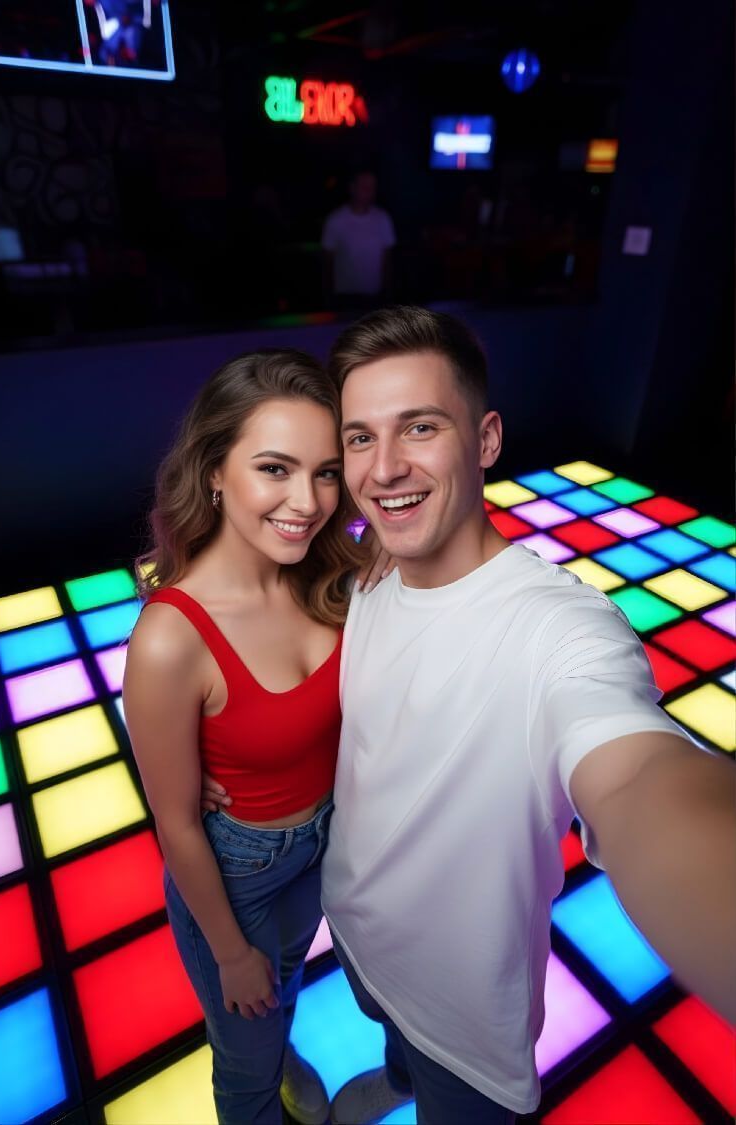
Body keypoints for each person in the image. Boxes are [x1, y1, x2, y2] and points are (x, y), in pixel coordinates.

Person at [199, 307, 736, 1125]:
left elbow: (636, 776)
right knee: (393, 1043)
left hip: (465, 1025)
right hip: (358, 935)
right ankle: (398, 1076)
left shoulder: (561, 629)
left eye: (420, 427)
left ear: (485, 440)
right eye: (360, 437)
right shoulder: (366, 566)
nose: (385, 468)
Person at [122, 348, 388, 1125]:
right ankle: (264, 1059)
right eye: (275, 468)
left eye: (326, 472)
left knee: (284, 991)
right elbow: (176, 822)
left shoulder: (331, 572)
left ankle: (281, 1047)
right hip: (237, 874)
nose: (307, 501)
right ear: (214, 471)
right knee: (244, 1071)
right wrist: (231, 952)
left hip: (324, 846)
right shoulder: (170, 637)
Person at [321, 171, 396, 307]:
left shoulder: (383, 218)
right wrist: (327, 298)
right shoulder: (335, 220)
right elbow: (327, 263)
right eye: (364, 186)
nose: (369, 191)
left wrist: (388, 296)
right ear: (352, 188)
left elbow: (388, 260)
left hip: (375, 299)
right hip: (344, 300)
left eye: (372, 187)